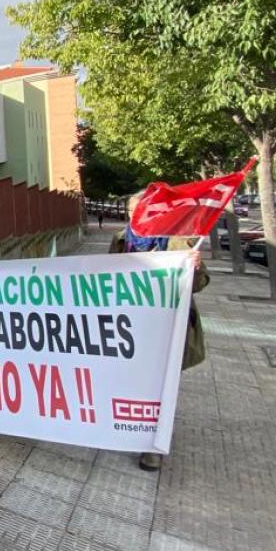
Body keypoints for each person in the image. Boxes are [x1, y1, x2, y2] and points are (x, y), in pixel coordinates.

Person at [111, 193, 208, 471]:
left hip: (167, 327)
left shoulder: (178, 241)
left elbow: (200, 283)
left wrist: (194, 267)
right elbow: (107, 275)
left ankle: (153, 447)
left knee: (161, 387)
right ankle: (133, 430)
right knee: (134, 384)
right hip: (132, 326)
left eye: (143, 211)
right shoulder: (121, 239)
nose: (136, 216)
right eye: (132, 211)